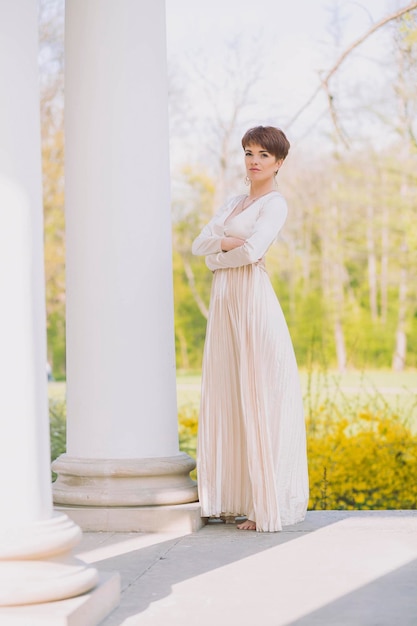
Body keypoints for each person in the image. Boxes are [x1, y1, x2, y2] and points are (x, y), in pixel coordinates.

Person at [191, 125, 309, 532]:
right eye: (248, 152)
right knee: (229, 387)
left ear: (278, 162)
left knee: (259, 389)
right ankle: (234, 497)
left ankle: (266, 502)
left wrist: (219, 249)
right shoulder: (234, 202)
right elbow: (198, 245)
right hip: (225, 301)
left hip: (252, 301)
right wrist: (225, 248)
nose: (254, 161)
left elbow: (253, 250)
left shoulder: (274, 204)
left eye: (263, 154)